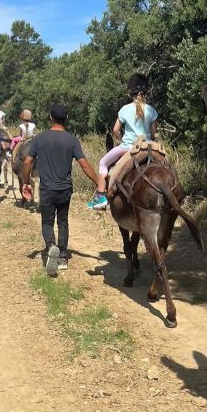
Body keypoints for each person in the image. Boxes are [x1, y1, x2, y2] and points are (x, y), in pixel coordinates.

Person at [20, 104, 99, 275]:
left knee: (47, 222)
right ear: (67, 119)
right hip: (65, 189)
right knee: (63, 221)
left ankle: (51, 246)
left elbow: (27, 162)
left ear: (50, 117)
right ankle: (62, 256)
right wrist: (97, 182)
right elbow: (84, 164)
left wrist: (26, 182)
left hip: (47, 189)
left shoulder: (39, 139)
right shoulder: (72, 140)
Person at [87, 73, 158, 210]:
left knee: (103, 163)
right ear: (145, 92)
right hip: (147, 147)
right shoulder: (151, 110)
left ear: (130, 92)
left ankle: (101, 196)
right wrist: (150, 140)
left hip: (128, 147)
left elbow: (115, 130)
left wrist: (120, 139)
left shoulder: (125, 109)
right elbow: (154, 133)